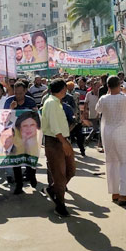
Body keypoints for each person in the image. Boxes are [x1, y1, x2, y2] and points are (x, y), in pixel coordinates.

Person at [95, 76, 126, 206]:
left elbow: (98, 109)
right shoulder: (125, 97)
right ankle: (123, 195)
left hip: (108, 133)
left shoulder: (104, 98)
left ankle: (115, 193)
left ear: (107, 86)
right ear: (119, 85)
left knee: (112, 162)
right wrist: (125, 92)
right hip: (122, 133)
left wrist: (110, 94)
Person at [41, 79, 75, 217]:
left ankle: (53, 190)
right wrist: (63, 142)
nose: (66, 91)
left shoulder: (56, 102)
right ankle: (60, 205)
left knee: (71, 170)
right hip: (55, 141)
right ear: (62, 89)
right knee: (59, 175)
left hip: (62, 140)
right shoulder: (51, 103)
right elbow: (54, 126)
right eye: (65, 89)